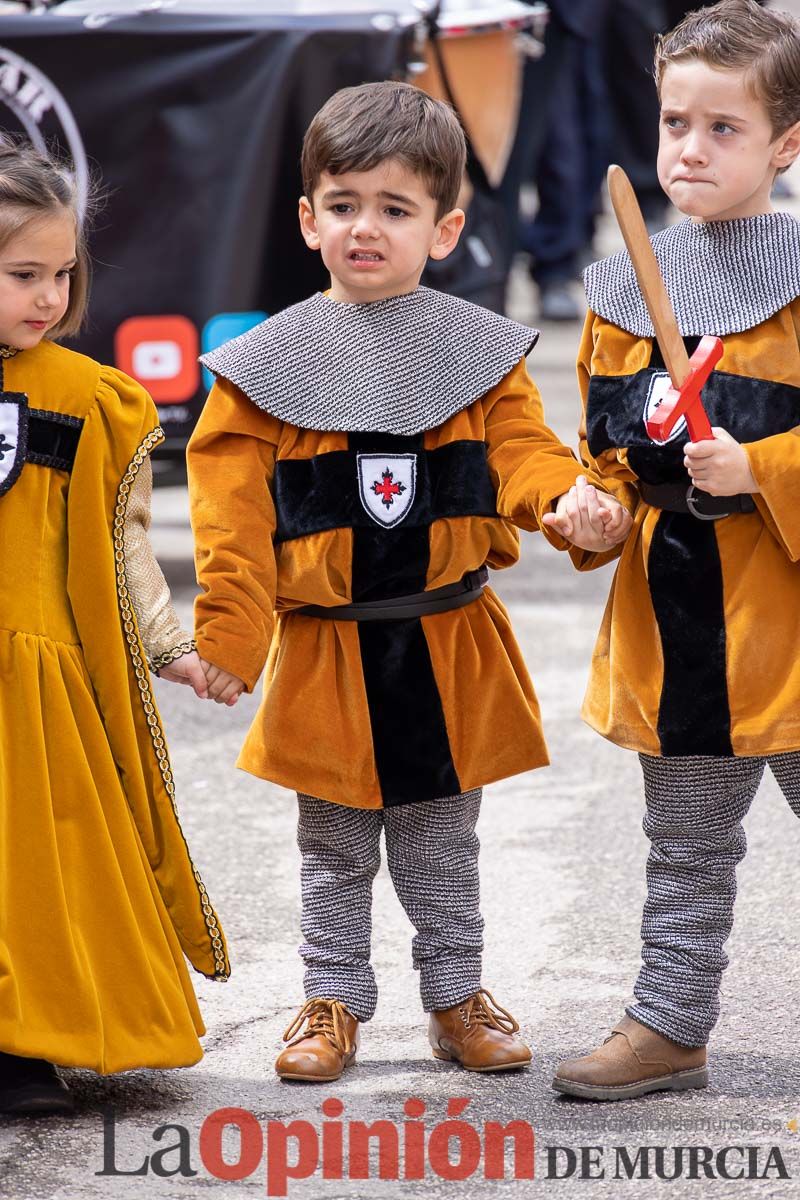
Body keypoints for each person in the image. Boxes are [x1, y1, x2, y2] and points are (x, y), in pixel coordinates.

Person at [188, 80, 631, 1083]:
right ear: (308, 219)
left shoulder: (478, 355)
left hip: (444, 644)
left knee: (441, 850)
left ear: (443, 229)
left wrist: (570, 505)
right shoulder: (259, 371)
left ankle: (454, 997)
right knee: (331, 854)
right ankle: (330, 1002)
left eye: (394, 208)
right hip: (325, 649)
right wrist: (226, 636)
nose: (364, 228)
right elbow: (230, 521)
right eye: (342, 205)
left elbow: (523, 455)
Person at [551, 0, 800, 1100]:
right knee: (685, 845)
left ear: (784, 146)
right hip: (679, 626)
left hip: (789, 630)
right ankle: (669, 1022)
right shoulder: (620, 291)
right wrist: (594, 511)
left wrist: (765, 470)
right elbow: (605, 451)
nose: (687, 150)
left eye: (721, 129)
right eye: (671, 123)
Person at [0, 138, 229, 1116]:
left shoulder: (87, 400)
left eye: (61, 274)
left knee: (37, 873)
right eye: (22, 274)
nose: (48, 297)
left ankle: (27, 1041)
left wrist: (170, 644)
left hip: (35, 691)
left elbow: (121, 542)